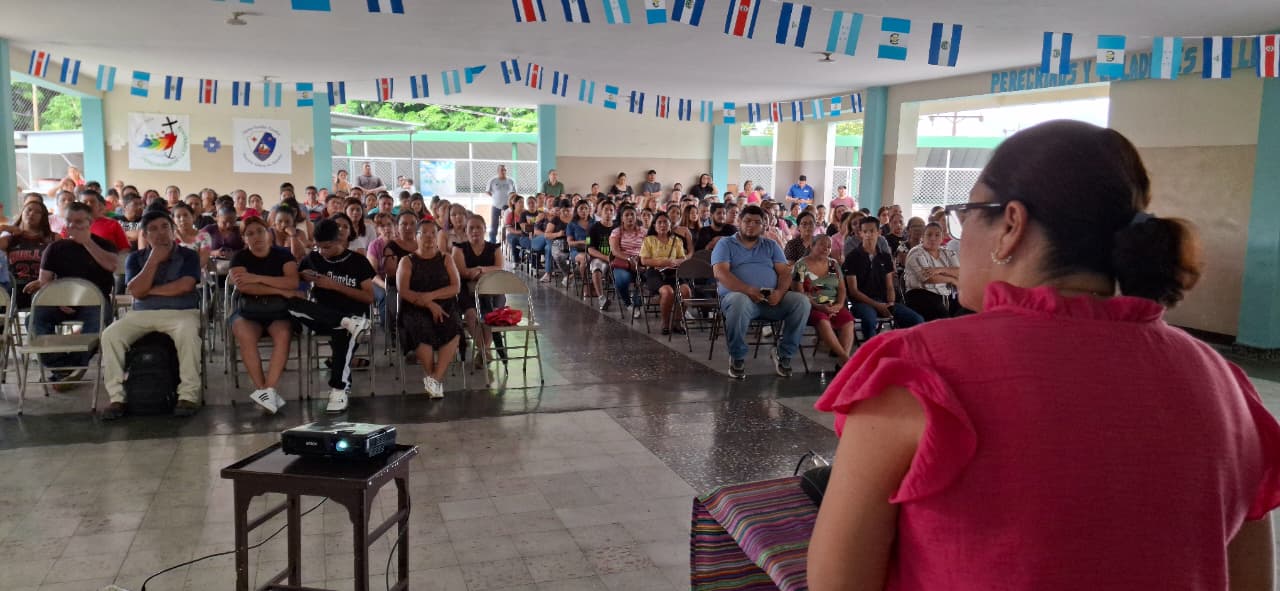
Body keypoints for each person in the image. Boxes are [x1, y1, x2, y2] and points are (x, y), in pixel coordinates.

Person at [809, 120, 1280, 591]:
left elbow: (838, 582)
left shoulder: (917, 369)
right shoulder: (1225, 385)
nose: (958, 235)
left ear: (1011, 225)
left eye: (966, 212)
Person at [100, 209, 203, 420]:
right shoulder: (135, 258)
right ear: (145, 236)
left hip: (181, 313)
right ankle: (117, 398)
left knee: (188, 333)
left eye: (165, 227)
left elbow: (185, 286)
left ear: (173, 231)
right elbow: (136, 291)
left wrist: (148, 291)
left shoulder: (188, 255)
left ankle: (188, 396)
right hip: (141, 314)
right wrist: (153, 260)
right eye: (153, 229)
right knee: (111, 335)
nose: (160, 233)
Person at [711, 205, 810, 379]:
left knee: (801, 302)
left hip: (769, 298)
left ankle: (783, 354)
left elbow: (785, 273)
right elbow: (721, 273)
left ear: (764, 225)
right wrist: (748, 289)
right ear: (739, 221)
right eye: (747, 221)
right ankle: (737, 357)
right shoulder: (725, 244)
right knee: (739, 301)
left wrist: (779, 292)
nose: (751, 225)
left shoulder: (770, 245)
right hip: (739, 297)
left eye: (757, 222)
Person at [287, 219, 375, 413]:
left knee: (343, 333)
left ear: (339, 240)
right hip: (322, 316)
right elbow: (295, 281)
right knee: (289, 303)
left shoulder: (358, 261)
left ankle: (339, 389)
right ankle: (345, 322)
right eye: (318, 246)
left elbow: (369, 297)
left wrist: (335, 285)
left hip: (353, 312)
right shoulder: (314, 258)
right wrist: (303, 276)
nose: (322, 251)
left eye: (326, 247)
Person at [28, 202, 118, 385]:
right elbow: (44, 281)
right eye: (69, 221)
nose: (72, 226)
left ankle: (71, 366)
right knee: (34, 319)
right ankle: (62, 365)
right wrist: (56, 300)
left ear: (90, 222)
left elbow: (112, 265)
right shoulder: (55, 248)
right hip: (61, 302)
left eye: (79, 222)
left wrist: (87, 242)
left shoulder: (104, 245)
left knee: (98, 322)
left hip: (95, 303)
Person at [229, 217, 299, 414]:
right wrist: (279, 289)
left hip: (279, 311)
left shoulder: (283, 254)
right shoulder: (239, 258)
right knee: (244, 333)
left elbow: (293, 282)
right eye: (250, 233)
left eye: (260, 231)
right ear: (244, 239)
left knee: (283, 334)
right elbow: (245, 287)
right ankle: (263, 390)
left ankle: (268, 390)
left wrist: (257, 278)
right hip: (249, 310)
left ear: (269, 233)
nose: (256, 236)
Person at [397, 219, 462, 399]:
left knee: (453, 325)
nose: (429, 237)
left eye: (433, 233)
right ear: (416, 236)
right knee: (419, 326)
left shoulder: (446, 258)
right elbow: (403, 290)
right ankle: (431, 375)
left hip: (445, 304)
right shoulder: (407, 261)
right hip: (415, 306)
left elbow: (455, 287)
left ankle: (435, 378)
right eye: (424, 233)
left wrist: (431, 296)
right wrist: (429, 304)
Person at [843, 217, 924, 340]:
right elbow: (853, 291)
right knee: (869, 320)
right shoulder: (852, 258)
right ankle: (871, 350)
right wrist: (877, 306)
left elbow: (890, 286)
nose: (868, 235)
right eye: (865, 231)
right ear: (860, 233)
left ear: (878, 232)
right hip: (862, 303)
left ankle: (906, 348)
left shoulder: (885, 257)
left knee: (917, 320)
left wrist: (890, 303)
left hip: (884, 300)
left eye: (872, 231)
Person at [792, 234, 854, 367]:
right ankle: (846, 359)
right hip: (810, 307)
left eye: (829, 246)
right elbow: (799, 293)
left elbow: (842, 289)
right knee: (823, 321)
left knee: (848, 321)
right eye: (822, 245)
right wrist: (820, 307)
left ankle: (842, 362)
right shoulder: (801, 265)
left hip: (832, 305)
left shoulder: (833, 264)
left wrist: (839, 305)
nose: (826, 248)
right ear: (812, 246)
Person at [452, 215, 505, 369]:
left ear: (484, 229)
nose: (475, 231)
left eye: (478, 228)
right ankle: (484, 350)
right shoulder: (459, 248)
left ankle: (483, 350)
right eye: (471, 228)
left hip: (491, 288)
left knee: (490, 315)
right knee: (471, 314)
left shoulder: (494, 248)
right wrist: (483, 273)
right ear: (466, 231)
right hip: (466, 290)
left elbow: (499, 268)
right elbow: (461, 272)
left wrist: (480, 270)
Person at [639, 212, 690, 335]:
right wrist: (661, 262)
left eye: (665, 222)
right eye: (660, 222)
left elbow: (683, 259)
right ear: (654, 225)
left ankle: (677, 322)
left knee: (686, 291)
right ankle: (665, 323)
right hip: (654, 272)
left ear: (670, 225)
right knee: (667, 292)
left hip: (673, 272)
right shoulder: (649, 240)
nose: (663, 225)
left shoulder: (677, 240)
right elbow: (644, 260)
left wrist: (674, 262)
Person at [0, 200, 56, 309]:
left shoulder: (53, 238)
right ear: (22, 213)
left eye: (37, 212)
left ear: (44, 217)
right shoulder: (9, 239)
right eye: (29, 210)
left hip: (43, 286)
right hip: (14, 287)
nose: (32, 213)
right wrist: (4, 228)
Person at [902, 222, 961, 321]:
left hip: (945, 296)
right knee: (943, 318)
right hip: (920, 295)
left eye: (937, 235)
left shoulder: (948, 253)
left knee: (964, 311)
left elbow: (959, 272)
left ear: (942, 238)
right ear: (922, 237)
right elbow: (928, 277)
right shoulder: (916, 252)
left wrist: (939, 270)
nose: (933, 238)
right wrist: (952, 279)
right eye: (929, 235)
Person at [609, 205, 647, 318]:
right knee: (621, 280)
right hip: (623, 263)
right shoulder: (616, 232)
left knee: (647, 277)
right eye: (627, 215)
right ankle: (628, 303)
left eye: (632, 215)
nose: (630, 217)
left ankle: (637, 302)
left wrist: (640, 259)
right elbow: (615, 251)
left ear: (636, 217)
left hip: (641, 262)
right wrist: (630, 259)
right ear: (622, 218)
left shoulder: (644, 231)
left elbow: (649, 249)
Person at [586, 200, 618, 310]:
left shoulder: (618, 228)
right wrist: (605, 257)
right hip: (599, 257)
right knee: (596, 267)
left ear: (614, 212)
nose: (608, 212)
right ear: (600, 212)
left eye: (611, 210)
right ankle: (601, 298)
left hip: (616, 258)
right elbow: (590, 249)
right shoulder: (592, 228)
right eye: (606, 210)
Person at [566, 201, 594, 295]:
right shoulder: (572, 224)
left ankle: (595, 284)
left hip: (592, 249)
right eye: (581, 208)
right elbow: (570, 243)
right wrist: (581, 242)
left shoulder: (593, 223)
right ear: (576, 210)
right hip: (576, 251)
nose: (584, 211)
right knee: (585, 258)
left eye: (586, 208)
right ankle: (586, 285)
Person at [486, 165, 518, 243]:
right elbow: (487, 192)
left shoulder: (511, 181)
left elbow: (515, 193)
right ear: (498, 171)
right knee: (494, 226)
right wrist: (495, 197)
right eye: (502, 170)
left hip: (508, 207)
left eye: (505, 170)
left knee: (507, 225)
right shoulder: (493, 181)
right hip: (496, 206)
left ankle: (506, 241)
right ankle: (492, 242)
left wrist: (511, 201)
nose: (503, 171)